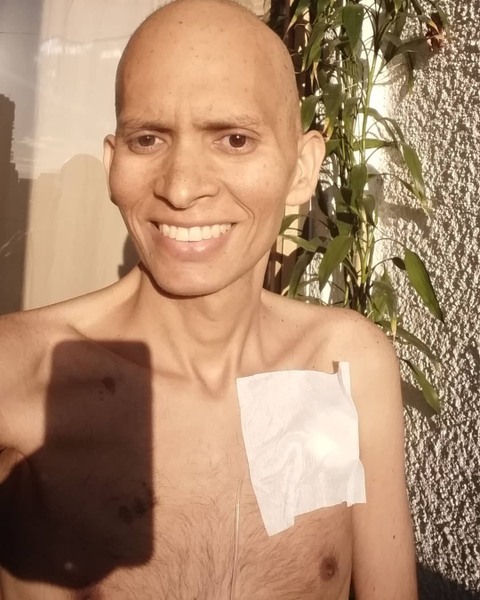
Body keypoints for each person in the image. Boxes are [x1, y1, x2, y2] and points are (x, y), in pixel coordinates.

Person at [0, 0, 418, 598]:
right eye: (148, 139)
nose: (181, 187)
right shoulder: (19, 371)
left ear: (302, 170)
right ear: (113, 163)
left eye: (234, 139)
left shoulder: (346, 362)